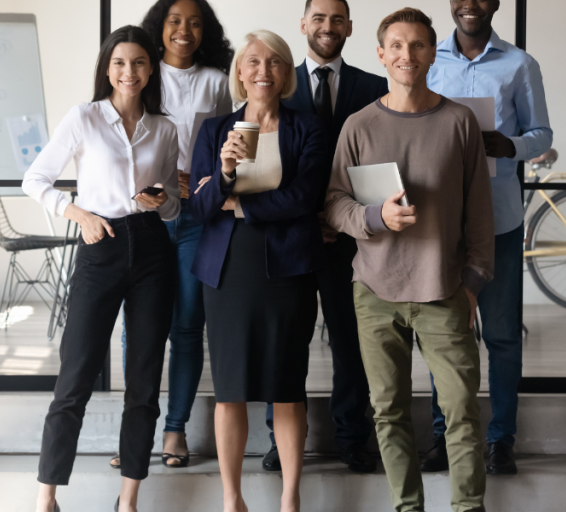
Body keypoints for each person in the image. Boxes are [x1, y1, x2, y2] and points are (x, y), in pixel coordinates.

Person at [324, 8, 493, 512]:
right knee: (387, 411)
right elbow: (334, 205)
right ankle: (407, 507)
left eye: (418, 45)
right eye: (396, 46)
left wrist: (473, 282)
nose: (406, 55)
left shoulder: (459, 121)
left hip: (444, 290)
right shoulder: (359, 125)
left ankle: (468, 507)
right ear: (380, 54)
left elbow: (480, 215)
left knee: (461, 411)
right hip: (375, 291)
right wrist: (375, 217)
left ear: (431, 53)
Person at [24, 25, 180, 512]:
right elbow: (36, 179)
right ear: (106, 69)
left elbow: (173, 206)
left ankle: (128, 499)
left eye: (137, 63)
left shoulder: (166, 127)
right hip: (100, 245)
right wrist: (80, 215)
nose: (128, 72)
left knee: (144, 381)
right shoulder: (84, 118)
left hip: (153, 249)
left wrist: (161, 199)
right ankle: (46, 496)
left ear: (150, 68)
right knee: (75, 375)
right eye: (118, 63)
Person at [190, 30, 329, 512]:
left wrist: (243, 206)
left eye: (274, 62)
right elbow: (200, 205)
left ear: (287, 73)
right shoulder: (214, 130)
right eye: (252, 61)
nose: (263, 70)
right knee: (229, 390)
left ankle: (291, 497)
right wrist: (225, 173)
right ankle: (233, 499)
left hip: (287, 269)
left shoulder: (307, 128)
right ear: (240, 72)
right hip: (227, 271)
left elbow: (305, 197)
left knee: (287, 387)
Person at [423, 0, 553, 476]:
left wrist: (512, 146)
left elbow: (542, 133)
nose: (469, 4)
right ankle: (443, 436)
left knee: (500, 335)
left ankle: (501, 441)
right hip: (440, 221)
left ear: (495, 3)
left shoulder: (520, 65)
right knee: (445, 335)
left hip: (498, 218)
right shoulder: (427, 57)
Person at [261, 0, 389, 475]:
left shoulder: (376, 89)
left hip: (351, 241)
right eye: (319, 18)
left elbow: (378, 165)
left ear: (350, 27)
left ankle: (352, 436)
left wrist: (343, 219)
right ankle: (282, 438)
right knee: (286, 342)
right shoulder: (274, 84)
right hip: (291, 237)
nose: (328, 26)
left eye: (337, 18)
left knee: (350, 341)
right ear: (303, 25)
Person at [109, 0, 234, 472]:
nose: (184, 30)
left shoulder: (218, 83)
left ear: (206, 32)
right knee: (138, 331)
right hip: (146, 218)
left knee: (186, 326)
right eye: (175, 21)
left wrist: (200, 178)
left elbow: (231, 146)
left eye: (195, 22)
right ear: (158, 28)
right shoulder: (140, 73)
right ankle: (134, 432)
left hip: (195, 220)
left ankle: (175, 429)